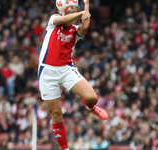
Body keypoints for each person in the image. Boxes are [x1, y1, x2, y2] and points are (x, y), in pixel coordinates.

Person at [38, 0, 108, 149]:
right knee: (56, 115)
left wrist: (86, 5)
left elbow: (86, 25)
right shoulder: (53, 21)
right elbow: (63, 19)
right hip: (47, 72)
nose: (74, 17)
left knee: (92, 97)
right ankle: (65, 148)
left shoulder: (75, 31)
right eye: (71, 13)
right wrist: (80, 12)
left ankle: (90, 108)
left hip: (66, 70)